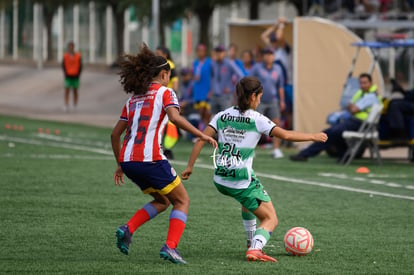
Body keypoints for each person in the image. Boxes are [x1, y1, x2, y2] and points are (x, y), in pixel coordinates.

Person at [181, 76, 327, 262]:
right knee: (271, 219)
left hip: (220, 179)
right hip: (240, 181)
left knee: (247, 201)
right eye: (259, 97)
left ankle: (251, 240)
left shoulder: (222, 115)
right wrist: (313, 136)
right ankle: (256, 249)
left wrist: (190, 166)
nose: (260, 101)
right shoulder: (257, 119)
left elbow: (201, 138)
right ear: (252, 97)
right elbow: (286, 136)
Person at [110, 44, 217, 264]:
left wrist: (121, 163)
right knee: (182, 201)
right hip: (151, 159)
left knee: (163, 200)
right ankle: (170, 247)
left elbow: (114, 135)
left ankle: (128, 228)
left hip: (130, 161)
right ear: (163, 74)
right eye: (168, 74)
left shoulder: (132, 100)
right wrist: (202, 135)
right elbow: (176, 118)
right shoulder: (165, 92)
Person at [290, 73, 382, 161]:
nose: (362, 85)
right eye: (361, 83)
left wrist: (353, 107)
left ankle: (305, 154)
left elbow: (353, 109)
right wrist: (353, 107)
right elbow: (349, 105)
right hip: (354, 122)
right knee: (332, 133)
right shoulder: (361, 93)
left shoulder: (370, 96)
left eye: (365, 83)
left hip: (360, 124)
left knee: (328, 134)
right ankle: (344, 155)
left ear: (371, 83)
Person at [249, 48, 286, 158]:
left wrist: (282, 100)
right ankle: (251, 149)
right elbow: (250, 82)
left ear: (273, 57)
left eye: (271, 55)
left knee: (276, 125)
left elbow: (280, 86)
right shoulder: (257, 68)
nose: (269, 57)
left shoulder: (278, 69)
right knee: (255, 125)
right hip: (259, 101)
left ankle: (276, 149)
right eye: (267, 55)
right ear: (263, 56)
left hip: (273, 100)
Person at [210, 45, 245, 115]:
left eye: (221, 52)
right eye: (217, 52)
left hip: (225, 96)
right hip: (215, 95)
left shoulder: (229, 63)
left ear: (224, 53)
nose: (219, 54)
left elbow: (240, 75)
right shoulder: (213, 63)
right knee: (214, 117)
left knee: (226, 117)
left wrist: (231, 88)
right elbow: (212, 77)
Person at [192, 44, 212, 127]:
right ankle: (204, 132)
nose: (200, 53)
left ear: (205, 52)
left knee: (207, 112)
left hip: (207, 90)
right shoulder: (195, 63)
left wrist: (212, 89)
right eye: (198, 51)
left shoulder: (210, 62)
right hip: (198, 91)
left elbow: (213, 76)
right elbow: (193, 75)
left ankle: (208, 132)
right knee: (201, 112)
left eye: (202, 51)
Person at [62, 41, 82, 112]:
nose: (71, 48)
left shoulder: (78, 56)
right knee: (67, 90)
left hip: (75, 76)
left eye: (72, 46)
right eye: (70, 46)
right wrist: (65, 73)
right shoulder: (66, 56)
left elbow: (80, 66)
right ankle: (66, 105)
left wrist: (78, 74)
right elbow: (63, 65)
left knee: (75, 91)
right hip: (68, 76)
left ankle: (75, 105)